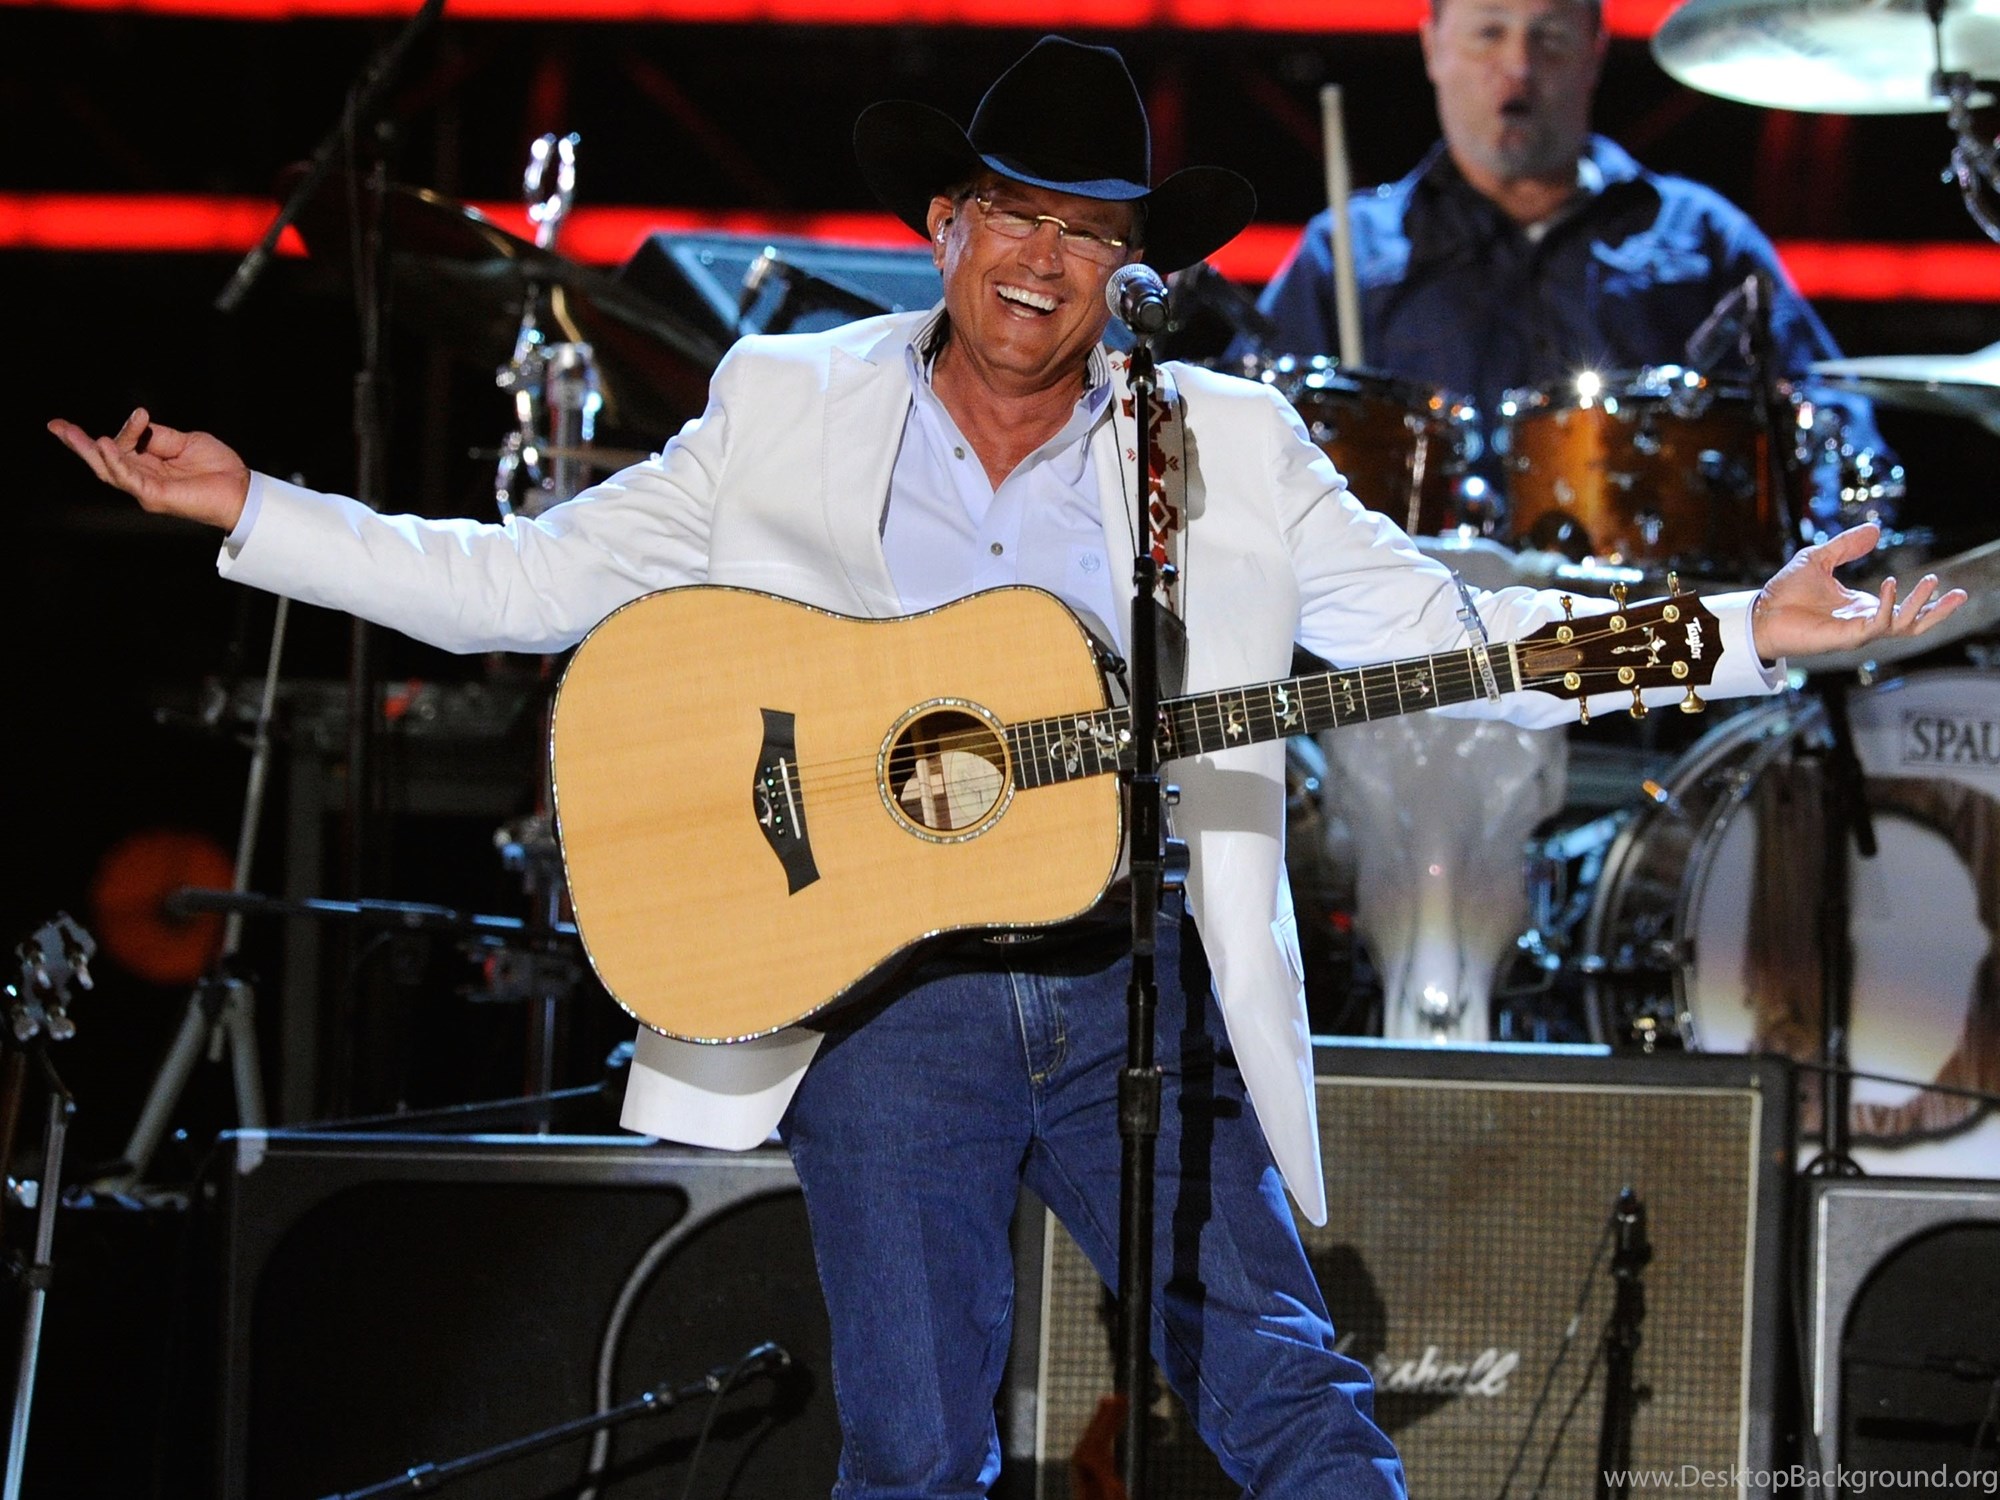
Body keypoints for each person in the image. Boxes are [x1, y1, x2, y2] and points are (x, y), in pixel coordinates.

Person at [49, 36, 1962, 1499]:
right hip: (887, 1004)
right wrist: (257, 510)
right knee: (916, 1453)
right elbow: (523, 584)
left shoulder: (1215, 444)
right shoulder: (782, 403)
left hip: (1137, 987)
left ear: (1132, 267)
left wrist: (1739, 631)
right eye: (1016, 216)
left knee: (1291, 1400)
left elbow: (1449, 628)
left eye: (1092, 232)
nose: (1047, 261)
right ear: (945, 226)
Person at [1251, 0, 1898, 539]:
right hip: (1419, 630)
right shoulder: (1346, 248)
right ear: (1433, 48)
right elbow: (1247, 442)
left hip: (1657, 625)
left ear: (1595, 52)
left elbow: (1829, 421)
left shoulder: (1702, 235)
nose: (1519, 66)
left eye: (1551, 39)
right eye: (1489, 33)